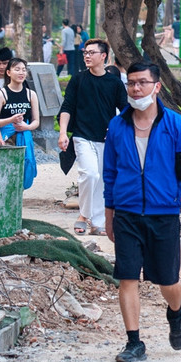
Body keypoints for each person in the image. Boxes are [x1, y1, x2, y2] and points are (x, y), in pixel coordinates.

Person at [103, 59, 181, 362]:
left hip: (163, 215)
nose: (136, 88)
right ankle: (134, 342)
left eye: (142, 82)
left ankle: (176, 312)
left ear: (157, 86)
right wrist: (109, 216)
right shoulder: (118, 126)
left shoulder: (177, 126)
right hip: (128, 213)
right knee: (127, 277)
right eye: (131, 83)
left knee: (167, 281)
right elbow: (110, 174)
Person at [58, 38, 127, 235]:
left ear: (103, 56)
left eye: (91, 53)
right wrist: (63, 133)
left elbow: (124, 111)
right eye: (85, 53)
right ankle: (83, 215)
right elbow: (67, 107)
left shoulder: (114, 83)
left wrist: (116, 129)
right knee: (90, 174)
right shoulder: (78, 79)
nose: (87, 56)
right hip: (82, 136)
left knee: (101, 180)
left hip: (106, 139)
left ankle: (97, 222)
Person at [0, 57, 40, 190]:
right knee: (4, 172)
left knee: (23, 170)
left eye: (24, 70)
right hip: (5, 139)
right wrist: (10, 120)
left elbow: (36, 121)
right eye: (17, 69)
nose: (21, 73)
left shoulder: (31, 94)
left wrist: (27, 127)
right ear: (8, 73)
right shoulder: (1, 94)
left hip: (24, 137)